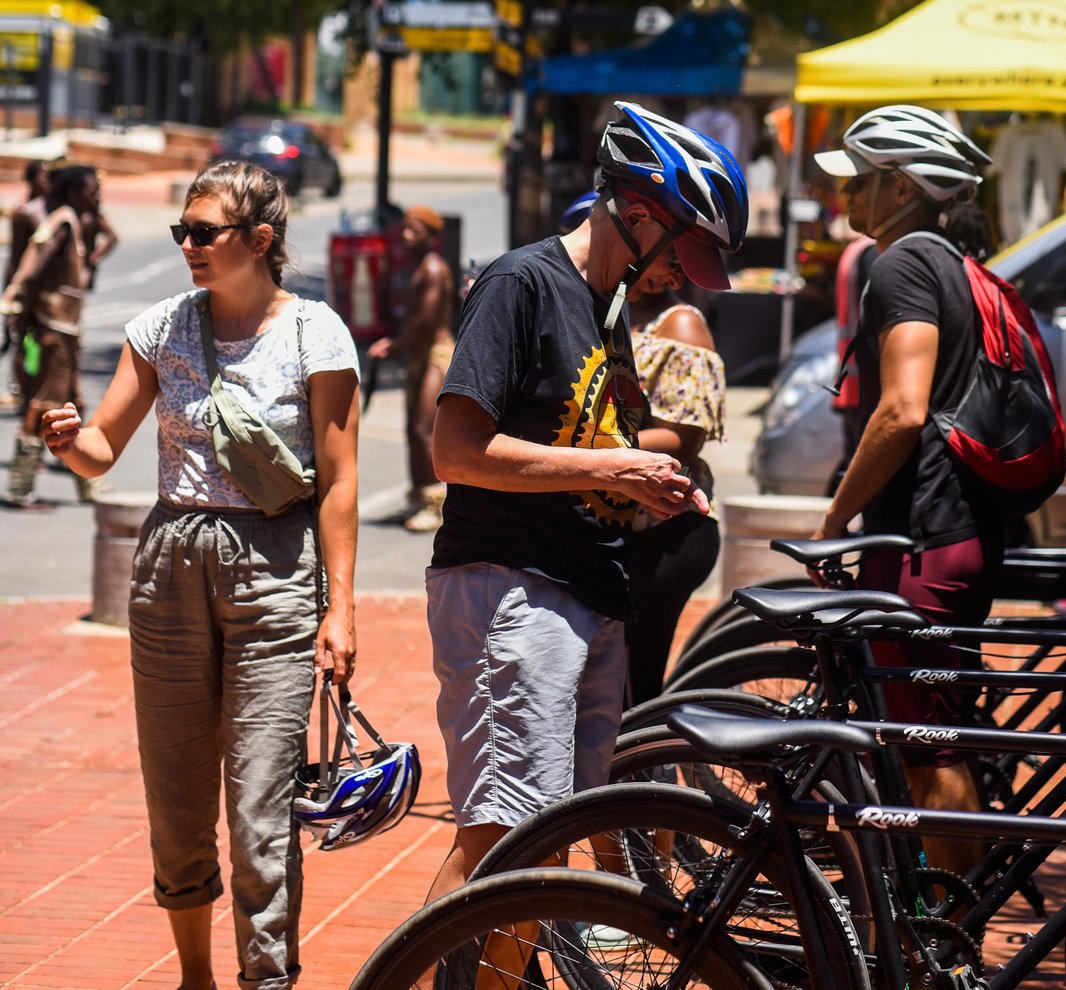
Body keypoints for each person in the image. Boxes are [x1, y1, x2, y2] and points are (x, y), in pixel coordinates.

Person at [419, 101, 746, 943]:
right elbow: (456, 452)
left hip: (584, 592)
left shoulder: (608, 311)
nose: (684, 278)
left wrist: (650, 483)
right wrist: (617, 467)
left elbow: (589, 447)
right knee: (504, 848)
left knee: (542, 850)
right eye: (684, 253)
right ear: (636, 214)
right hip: (511, 589)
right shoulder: (522, 283)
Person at [37, 160, 360, 990]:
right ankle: (195, 977)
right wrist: (68, 440)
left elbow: (340, 477)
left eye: (203, 232)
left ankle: (267, 979)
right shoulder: (161, 329)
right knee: (178, 800)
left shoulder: (315, 333)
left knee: (259, 804)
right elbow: (105, 448)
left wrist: (343, 609)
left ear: (260, 240)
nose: (188, 244)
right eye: (182, 231)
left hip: (276, 571)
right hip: (169, 568)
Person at [812, 106, 1004, 877]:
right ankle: (945, 928)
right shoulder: (950, 259)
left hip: (923, 538)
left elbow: (902, 408)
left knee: (931, 755)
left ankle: (953, 944)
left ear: (899, 186)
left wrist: (835, 518)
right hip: (958, 529)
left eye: (858, 179)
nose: (845, 196)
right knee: (931, 742)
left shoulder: (900, 264)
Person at [559, 190, 728, 706]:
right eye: (672, 261)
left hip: (668, 533)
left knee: (637, 682)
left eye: (681, 266)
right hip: (621, 527)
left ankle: (647, 779)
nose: (675, 277)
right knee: (612, 683)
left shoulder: (679, 326)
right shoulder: (602, 317)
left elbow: (682, 438)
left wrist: (582, 454)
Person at [2, 165, 101, 507]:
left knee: (75, 404)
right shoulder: (61, 223)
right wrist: (14, 304)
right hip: (54, 331)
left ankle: (89, 486)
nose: (97, 196)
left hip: (64, 330)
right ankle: (19, 489)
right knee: (42, 406)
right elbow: (29, 267)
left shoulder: (69, 220)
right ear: (73, 192)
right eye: (91, 189)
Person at [367, 206, 454, 532]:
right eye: (405, 229)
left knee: (422, 429)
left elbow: (426, 324)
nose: (406, 236)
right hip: (417, 354)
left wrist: (395, 346)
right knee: (412, 431)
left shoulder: (432, 268)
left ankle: (435, 504)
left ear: (432, 237)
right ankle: (418, 496)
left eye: (415, 230)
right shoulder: (417, 268)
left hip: (435, 354)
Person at [1, 159, 52, 411]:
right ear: (31, 179)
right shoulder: (24, 212)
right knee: (21, 339)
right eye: (43, 175)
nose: (47, 180)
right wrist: (10, 289)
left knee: (45, 342)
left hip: (48, 290)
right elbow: (15, 256)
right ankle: (22, 390)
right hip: (25, 287)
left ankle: (35, 389)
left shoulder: (54, 210)